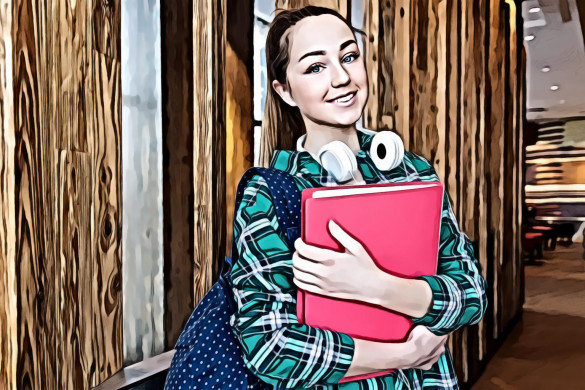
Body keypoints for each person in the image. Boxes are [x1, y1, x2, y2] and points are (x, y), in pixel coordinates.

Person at [229, 6, 488, 389]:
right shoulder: (269, 194)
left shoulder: (412, 171)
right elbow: (269, 345)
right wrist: (405, 354)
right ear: (284, 90)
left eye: (349, 57)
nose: (343, 77)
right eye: (316, 67)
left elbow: (471, 292)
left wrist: (377, 286)